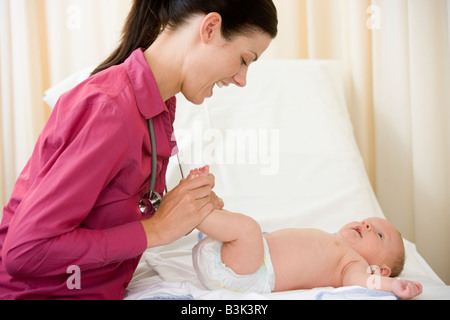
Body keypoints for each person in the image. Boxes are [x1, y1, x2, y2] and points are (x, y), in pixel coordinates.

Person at [0, 0, 278, 300]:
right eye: (244, 60)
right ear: (209, 28)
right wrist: (157, 230)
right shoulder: (109, 110)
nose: (241, 80)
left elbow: (105, 208)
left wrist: (178, 211)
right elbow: (25, 252)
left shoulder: (161, 105)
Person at [190, 167, 423, 299]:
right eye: (366, 222)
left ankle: (193, 209)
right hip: (239, 254)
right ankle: (202, 205)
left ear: (382, 269)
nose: (367, 226)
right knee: (240, 225)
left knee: (248, 229)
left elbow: (364, 282)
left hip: (251, 272)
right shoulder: (332, 240)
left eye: (379, 235)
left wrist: (392, 286)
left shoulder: (353, 264)